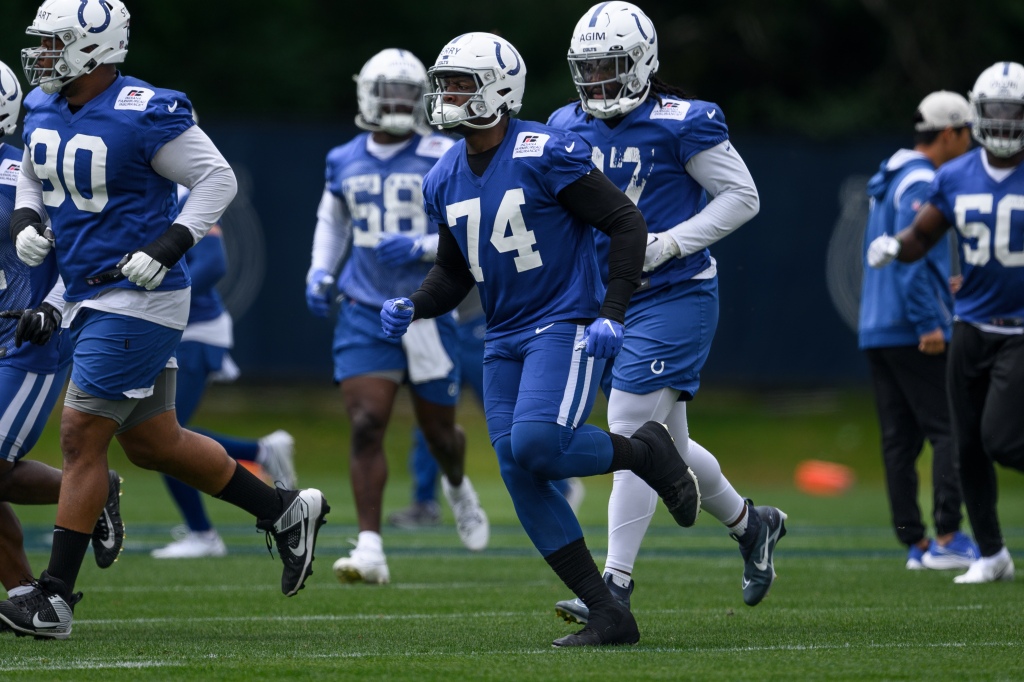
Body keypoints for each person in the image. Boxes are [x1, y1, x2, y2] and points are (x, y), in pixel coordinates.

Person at [0, 0, 328, 640]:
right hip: (85, 291)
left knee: (80, 436)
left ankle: (54, 597)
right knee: (154, 443)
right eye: (38, 42)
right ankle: (283, 509)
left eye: (53, 42)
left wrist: (169, 244)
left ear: (96, 48)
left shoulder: (143, 109)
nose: (39, 54)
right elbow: (37, 175)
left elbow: (215, 178)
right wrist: (25, 221)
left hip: (138, 292)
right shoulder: (44, 107)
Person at [381, 31, 701, 648]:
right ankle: (609, 612)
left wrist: (613, 309)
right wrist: (416, 305)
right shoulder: (444, 174)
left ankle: (647, 454)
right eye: (443, 83)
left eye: (459, 84)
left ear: (499, 91)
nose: (445, 95)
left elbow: (625, 221)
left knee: (537, 442)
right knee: (518, 467)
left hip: (565, 321)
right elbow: (453, 271)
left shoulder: (545, 149)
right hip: (503, 335)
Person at [545, 2, 783, 625]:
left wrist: (672, 240)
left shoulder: (683, 121)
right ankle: (751, 524)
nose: (597, 81)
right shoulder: (565, 124)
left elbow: (743, 196)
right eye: (588, 68)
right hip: (607, 299)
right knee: (666, 446)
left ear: (643, 62)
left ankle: (613, 585)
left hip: (676, 292)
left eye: (611, 66)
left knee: (628, 429)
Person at [305, 48, 489, 585]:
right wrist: (319, 272)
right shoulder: (343, 157)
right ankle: (370, 548)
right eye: (390, 92)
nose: (399, 103)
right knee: (366, 424)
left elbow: (469, 229)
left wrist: (418, 246)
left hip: (428, 310)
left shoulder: (444, 151)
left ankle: (455, 484)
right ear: (367, 93)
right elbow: (331, 221)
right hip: (364, 308)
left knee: (441, 436)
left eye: (409, 94)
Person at [868, 60, 1024, 584]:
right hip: (972, 325)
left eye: (1013, 112)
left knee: (1000, 439)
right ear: (976, 116)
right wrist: (898, 245)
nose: (1003, 123)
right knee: (968, 445)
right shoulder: (955, 174)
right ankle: (991, 553)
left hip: (1019, 329)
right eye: (994, 112)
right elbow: (925, 234)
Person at [0, 57, 122, 629]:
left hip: (25, 342)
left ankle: (94, 492)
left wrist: (53, 306)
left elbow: (79, 245)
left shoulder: (21, 174)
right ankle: (26, 594)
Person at [858, 90, 979, 571]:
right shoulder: (922, 179)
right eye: (967, 133)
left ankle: (917, 544)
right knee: (950, 428)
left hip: (877, 325)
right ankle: (948, 536)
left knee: (899, 440)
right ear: (949, 133)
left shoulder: (892, 172)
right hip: (911, 325)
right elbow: (908, 260)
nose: (971, 143)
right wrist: (930, 318)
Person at [153, 186, 297, 558]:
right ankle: (261, 451)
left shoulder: (183, 197)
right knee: (156, 435)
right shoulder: (138, 191)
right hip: (165, 329)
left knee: (163, 439)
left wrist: (159, 299)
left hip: (192, 330)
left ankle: (203, 533)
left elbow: (214, 262)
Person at [388, 288, 584, 528]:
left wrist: (417, 247)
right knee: (431, 420)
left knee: (507, 417)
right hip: (434, 327)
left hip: (474, 319)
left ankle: (561, 484)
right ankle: (425, 502)